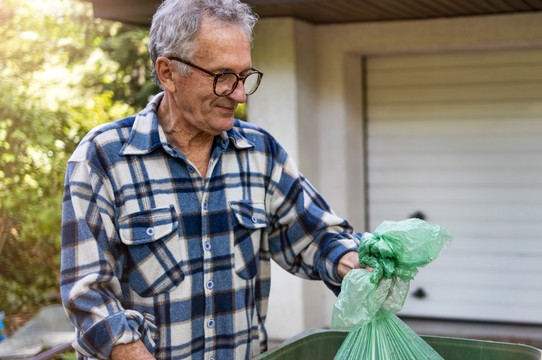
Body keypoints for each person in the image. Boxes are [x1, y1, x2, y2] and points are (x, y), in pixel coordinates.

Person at [59, 0, 362, 358]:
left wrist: (355, 261)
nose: (238, 94)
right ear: (168, 72)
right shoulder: (103, 157)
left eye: (244, 76)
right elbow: (86, 293)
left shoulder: (260, 153)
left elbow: (316, 237)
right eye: (222, 76)